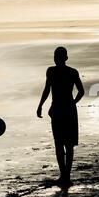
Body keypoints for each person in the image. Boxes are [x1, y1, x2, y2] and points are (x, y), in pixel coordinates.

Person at [37, 47, 84, 187]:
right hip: (66, 110)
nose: (55, 59)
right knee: (64, 144)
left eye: (57, 56)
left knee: (63, 144)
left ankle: (65, 176)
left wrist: (40, 106)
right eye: (55, 56)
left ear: (63, 58)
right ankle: (65, 176)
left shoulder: (52, 71)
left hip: (59, 109)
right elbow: (81, 92)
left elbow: (47, 89)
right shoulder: (71, 72)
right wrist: (72, 103)